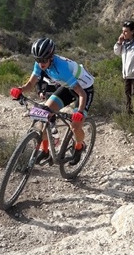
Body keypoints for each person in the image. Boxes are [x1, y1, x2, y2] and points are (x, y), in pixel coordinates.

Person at [10, 37, 94, 166]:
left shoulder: (62, 68)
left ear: (51, 57)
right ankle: (45, 151)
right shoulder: (39, 64)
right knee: (44, 114)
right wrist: (19, 90)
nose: (41, 63)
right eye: (38, 60)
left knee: (75, 126)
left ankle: (79, 146)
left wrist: (80, 112)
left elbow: (81, 93)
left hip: (84, 90)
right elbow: (31, 84)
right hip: (67, 87)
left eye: (43, 60)